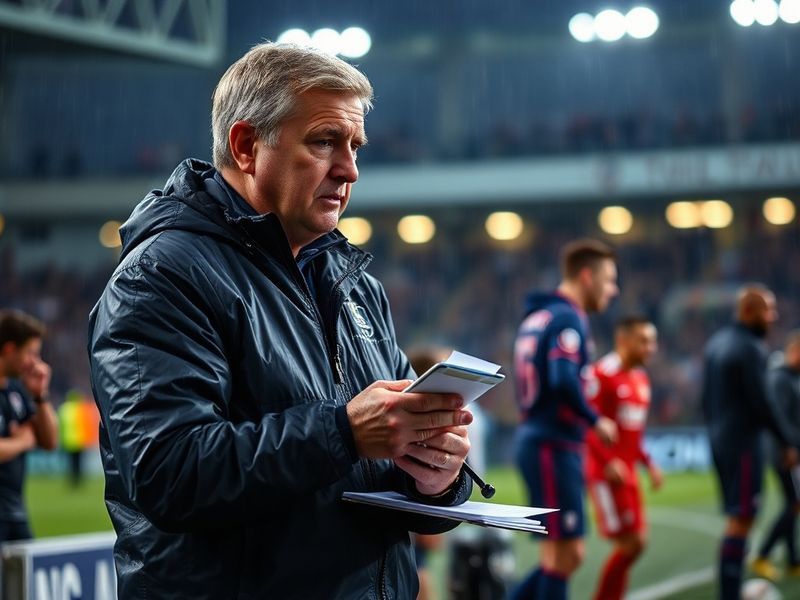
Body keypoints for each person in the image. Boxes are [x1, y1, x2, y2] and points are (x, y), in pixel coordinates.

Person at [87, 42, 474, 599]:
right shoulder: (162, 276)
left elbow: (378, 478)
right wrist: (342, 432)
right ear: (246, 146)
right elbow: (168, 474)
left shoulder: (356, 284)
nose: (350, 169)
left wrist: (436, 477)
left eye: (356, 146)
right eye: (324, 142)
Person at [510, 239, 619, 600]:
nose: (613, 290)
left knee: (561, 556)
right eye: (609, 279)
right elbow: (562, 378)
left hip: (541, 441)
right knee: (565, 554)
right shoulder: (567, 317)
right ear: (587, 277)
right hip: (552, 444)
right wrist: (595, 419)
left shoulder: (541, 315)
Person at [702, 286, 798, 599]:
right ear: (749, 311)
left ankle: (730, 590)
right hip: (743, 443)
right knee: (742, 519)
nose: (773, 316)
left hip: (720, 439)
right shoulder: (750, 347)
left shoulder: (716, 344)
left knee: (737, 516)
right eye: (768, 310)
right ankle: (729, 594)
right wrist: (787, 442)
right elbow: (763, 402)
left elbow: (705, 399)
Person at [585, 317, 664, 600]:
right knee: (632, 544)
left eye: (652, 341)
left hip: (629, 473)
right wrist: (608, 461)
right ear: (623, 340)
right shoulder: (601, 374)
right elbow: (588, 426)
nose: (651, 348)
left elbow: (634, 433)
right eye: (644, 340)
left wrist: (649, 463)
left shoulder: (641, 379)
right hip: (606, 474)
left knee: (635, 545)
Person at [0, 309, 59, 543]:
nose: (36, 363)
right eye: (31, 353)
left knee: (23, 579)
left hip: (16, 514)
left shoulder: (15, 391)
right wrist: (22, 442)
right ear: (9, 349)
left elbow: (49, 442)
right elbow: (29, 440)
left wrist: (40, 395)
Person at [751, 329, 800, 581]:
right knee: (794, 504)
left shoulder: (792, 377)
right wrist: (790, 446)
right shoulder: (780, 378)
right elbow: (778, 417)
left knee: (792, 505)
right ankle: (763, 555)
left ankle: (793, 560)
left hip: (790, 450)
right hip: (783, 452)